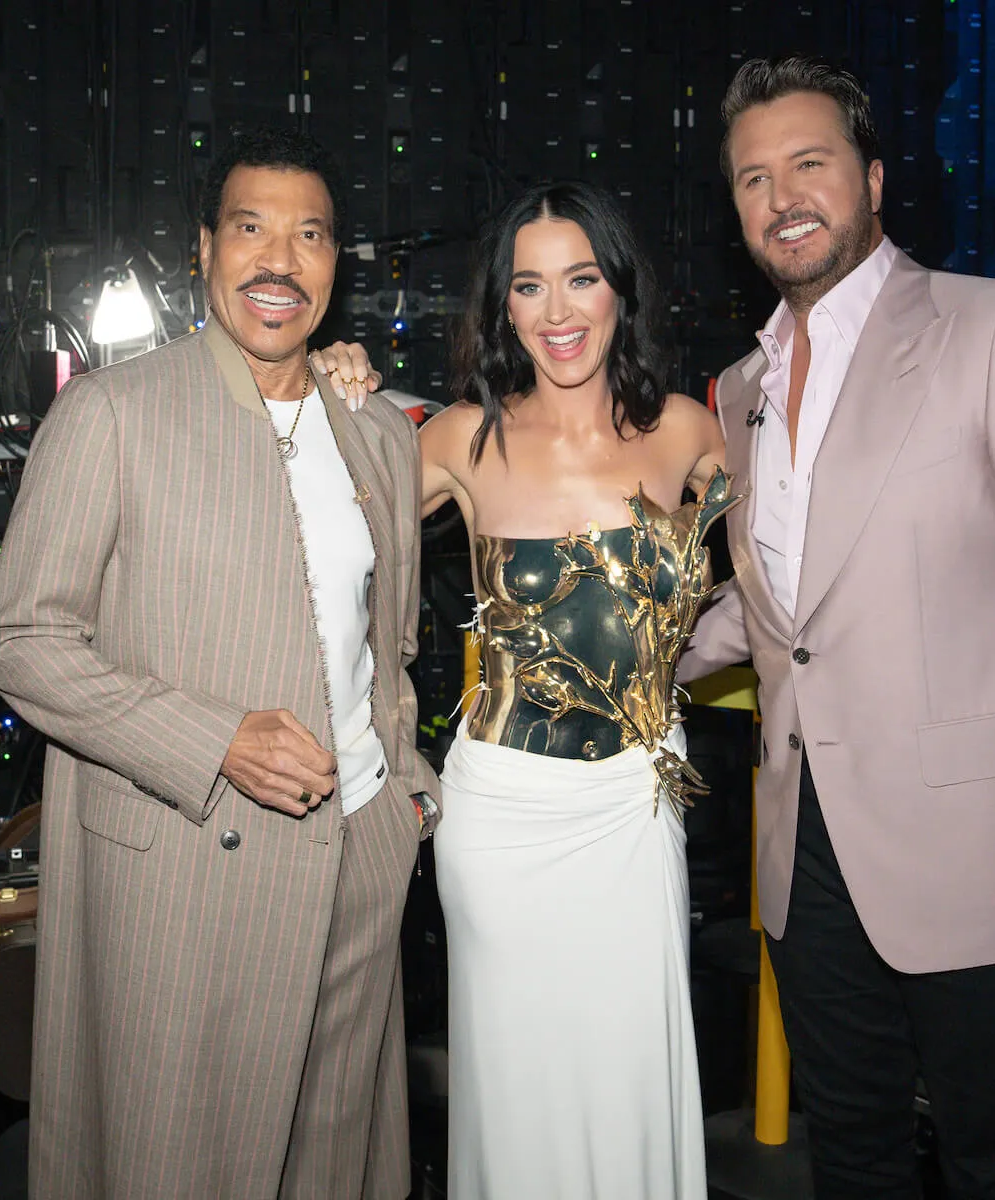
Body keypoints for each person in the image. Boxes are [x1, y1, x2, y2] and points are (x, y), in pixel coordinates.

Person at [678, 56, 995, 1200]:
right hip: (808, 859)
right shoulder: (738, 390)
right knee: (852, 1156)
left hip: (983, 863)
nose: (782, 195)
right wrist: (621, 663)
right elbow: (780, 605)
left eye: (810, 163)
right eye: (754, 177)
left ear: (874, 179)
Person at [0, 126, 439, 1200]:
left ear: (336, 265)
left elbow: (393, 646)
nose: (280, 259)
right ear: (203, 251)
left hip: (358, 862)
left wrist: (404, 797)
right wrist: (214, 739)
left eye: (309, 235)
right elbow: (17, 639)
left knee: (333, 1164)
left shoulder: (376, 433)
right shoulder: (111, 414)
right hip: (188, 873)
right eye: (251, 229)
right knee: (178, 1165)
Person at [318, 180, 729, 1200]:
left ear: (618, 292)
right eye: (529, 286)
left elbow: (787, 591)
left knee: (631, 1079)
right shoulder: (464, 437)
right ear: (501, 306)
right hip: (504, 818)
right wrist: (320, 393)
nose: (558, 313)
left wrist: (662, 684)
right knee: (521, 1094)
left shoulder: (687, 430)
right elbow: (318, 534)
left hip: (636, 813)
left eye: (580, 279)